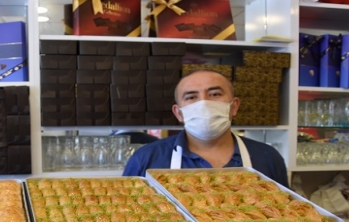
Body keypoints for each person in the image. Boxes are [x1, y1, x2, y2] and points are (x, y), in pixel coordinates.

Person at [122, 69, 289, 187]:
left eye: (215, 94)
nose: (204, 104)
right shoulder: (145, 159)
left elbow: (288, 217)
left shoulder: (268, 158)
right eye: (191, 97)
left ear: (234, 106)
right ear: (178, 113)